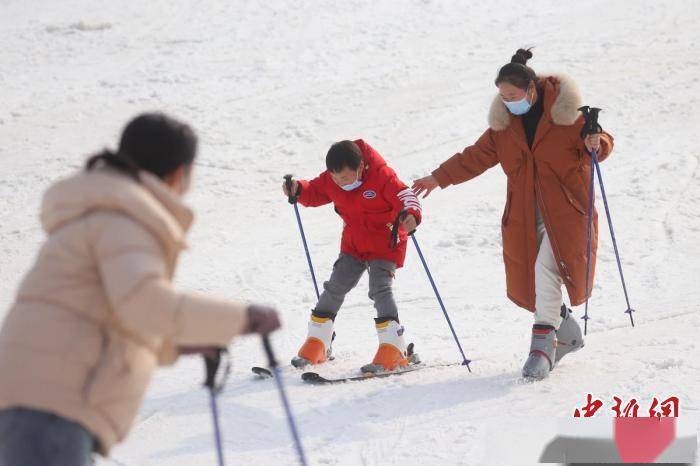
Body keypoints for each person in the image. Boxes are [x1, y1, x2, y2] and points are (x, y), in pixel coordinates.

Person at [0, 113, 281, 465]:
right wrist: (241, 318)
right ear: (179, 174)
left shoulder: (105, 211)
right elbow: (145, 303)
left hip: (42, 390)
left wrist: (175, 343)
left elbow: (114, 316)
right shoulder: (124, 218)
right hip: (54, 399)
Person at [412, 48, 614, 380]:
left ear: (531, 90)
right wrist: (439, 177)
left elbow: (600, 143)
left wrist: (598, 143)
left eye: (513, 95)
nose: (508, 101)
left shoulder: (567, 116)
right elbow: (475, 156)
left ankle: (541, 347)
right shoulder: (504, 127)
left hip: (567, 211)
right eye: (503, 96)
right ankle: (566, 333)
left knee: (546, 267)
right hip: (524, 212)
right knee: (532, 281)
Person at [283, 140, 422, 373]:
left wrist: (412, 215)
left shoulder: (381, 177)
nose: (340, 183)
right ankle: (318, 342)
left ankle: (393, 347)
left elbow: (406, 195)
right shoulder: (332, 179)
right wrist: (299, 189)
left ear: (360, 168)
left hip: (385, 243)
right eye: (336, 178)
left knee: (379, 289)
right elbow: (315, 191)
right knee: (336, 286)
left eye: (345, 178)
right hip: (353, 244)